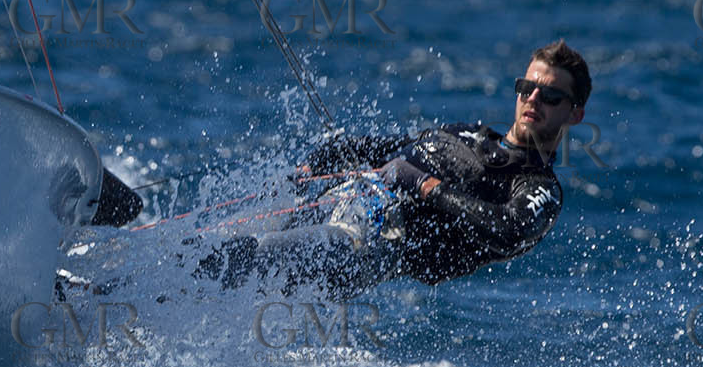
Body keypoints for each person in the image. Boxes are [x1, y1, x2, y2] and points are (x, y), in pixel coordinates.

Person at [189, 40, 591, 298]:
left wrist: (425, 185)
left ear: (574, 114)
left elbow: (508, 230)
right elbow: (384, 148)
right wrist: (318, 162)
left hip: (369, 243)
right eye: (526, 88)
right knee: (211, 246)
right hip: (340, 200)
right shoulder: (467, 132)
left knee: (249, 256)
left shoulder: (538, 187)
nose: (533, 99)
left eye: (550, 96)